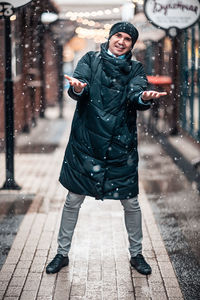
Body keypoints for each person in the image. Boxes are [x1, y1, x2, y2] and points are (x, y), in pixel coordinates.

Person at [46, 22, 167, 275]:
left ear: (132, 45)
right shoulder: (89, 59)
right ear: (110, 37)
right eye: (118, 36)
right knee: (73, 200)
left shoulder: (135, 68)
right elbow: (79, 86)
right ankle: (61, 253)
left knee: (131, 203)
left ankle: (137, 254)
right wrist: (78, 89)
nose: (121, 41)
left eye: (127, 39)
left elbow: (136, 93)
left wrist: (143, 98)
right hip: (86, 143)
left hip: (120, 146)